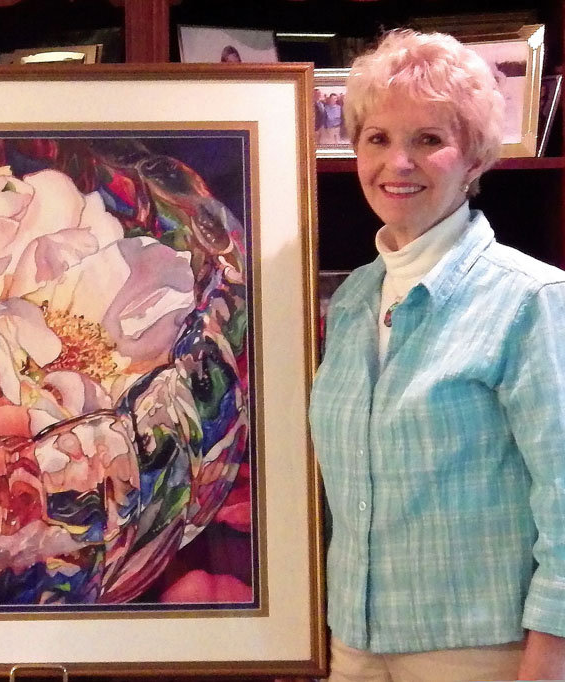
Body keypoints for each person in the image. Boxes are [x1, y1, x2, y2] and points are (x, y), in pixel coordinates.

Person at [309, 29, 565, 682]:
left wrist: (550, 660)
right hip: (353, 642)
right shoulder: (353, 299)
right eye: (378, 139)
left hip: (483, 652)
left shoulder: (531, 299)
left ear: (474, 158)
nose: (398, 163)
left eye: (428, 140)